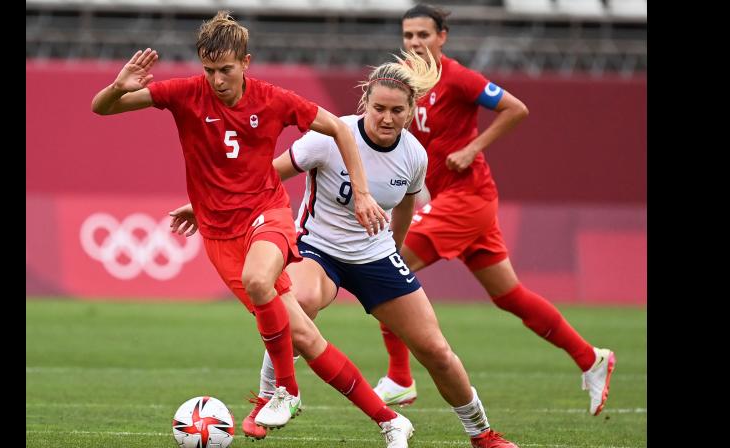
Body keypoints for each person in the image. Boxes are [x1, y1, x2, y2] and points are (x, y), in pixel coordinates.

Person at [171, 50, 519, 448]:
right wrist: (204, 206)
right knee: (294, 303)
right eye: (379, 108)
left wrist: (397, 254)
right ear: (364, 104)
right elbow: (267, 174)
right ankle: (271, 396)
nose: (387, 118)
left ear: (410, 112)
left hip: (376, 257)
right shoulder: (330, 137)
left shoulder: (414, 155)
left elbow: (405, 206)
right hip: (318, 250)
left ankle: (482, 433)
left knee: (437, 351)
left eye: (397, 111)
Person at [91, 10, 390, 431]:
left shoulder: (273, 99)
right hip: (218, 232)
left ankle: (283, 391)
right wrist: (117, 87)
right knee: (302, 335)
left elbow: (340, 130)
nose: (216, 80)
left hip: (267, 213)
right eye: (209, 70)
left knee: (257, 280)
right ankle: (389, 420)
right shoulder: (184, 93)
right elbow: (102, 109)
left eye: (226, 69)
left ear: (245, 63)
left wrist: (361, 192)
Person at [368, 4, 615, 417]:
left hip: (467, 198)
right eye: (408, 35)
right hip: (459, 201)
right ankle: (591, 358)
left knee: (385, 264)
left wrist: (472, 148)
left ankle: (400, 378)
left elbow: (516, 108)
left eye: (423, 35)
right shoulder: (408, 84)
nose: (414, 42)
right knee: (510, 296)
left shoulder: (460, 78)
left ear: (442, 37)